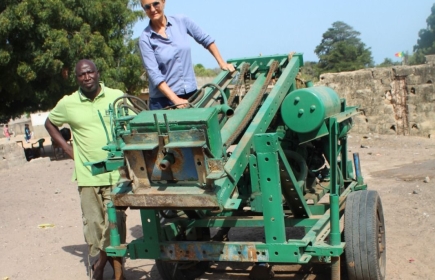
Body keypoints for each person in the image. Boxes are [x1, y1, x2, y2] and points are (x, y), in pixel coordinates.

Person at [44, 59, 126, 280]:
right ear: (77, 78)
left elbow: (131, 125)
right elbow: (49, 124)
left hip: (116, 173)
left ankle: (109, 268)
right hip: (88, 175)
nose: (87, 77)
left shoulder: (116, 96)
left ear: (98, 73)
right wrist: (70, 151)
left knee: (115, 223)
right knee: (94, 227)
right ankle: (101, 264)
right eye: (82, 75)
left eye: (90, 73)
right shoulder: (68, 103)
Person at [138, 0, 235, 110]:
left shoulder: (181, 21)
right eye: (147, 7)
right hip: (163, 102)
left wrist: (222, 63)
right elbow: (154, 74)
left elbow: (206, 39)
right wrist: (175, 99)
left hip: (191, 95)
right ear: (143, 9)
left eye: (156, 4)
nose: (152, 9)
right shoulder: (145, 39)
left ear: (163, 2)